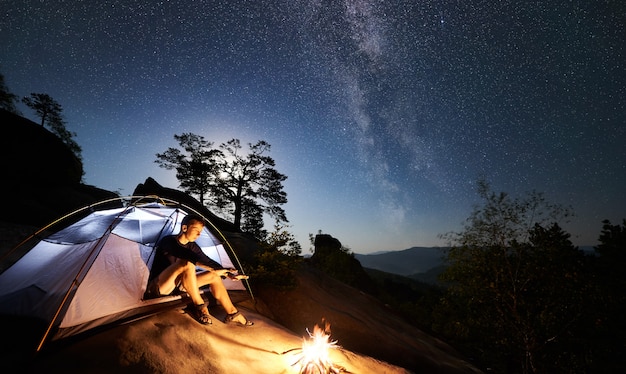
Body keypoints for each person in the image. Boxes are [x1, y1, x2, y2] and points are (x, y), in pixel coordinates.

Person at [144, 214, 253, 326]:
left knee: (214, 276)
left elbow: (207, 261)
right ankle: (200, 307)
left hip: (179, 285)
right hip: (159, 287)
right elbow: (184, 254)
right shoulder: (168, 241)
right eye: (196, 230)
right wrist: (212, 269)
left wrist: (229, 274)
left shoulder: (193, 246)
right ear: (184, 228)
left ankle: (232, 313)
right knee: (186, 263)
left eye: (201, 231)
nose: (199, 234)